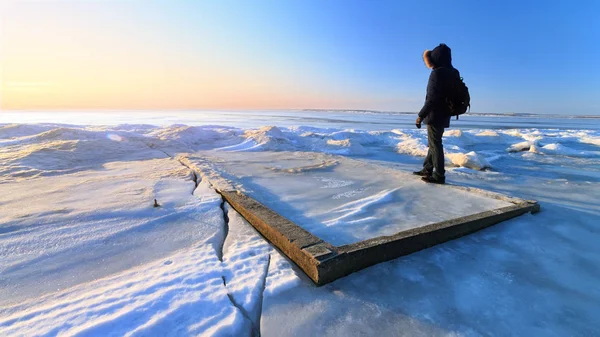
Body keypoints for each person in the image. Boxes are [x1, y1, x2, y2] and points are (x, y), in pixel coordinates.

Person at [413, 43, 460, 184]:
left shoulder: (437, 73)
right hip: (446, 113)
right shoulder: (454, 72)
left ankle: (439, 175)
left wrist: (421, 115)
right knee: (433, 143)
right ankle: (427, 168)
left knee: (435, 144)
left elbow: (432, 99)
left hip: (434, 114)